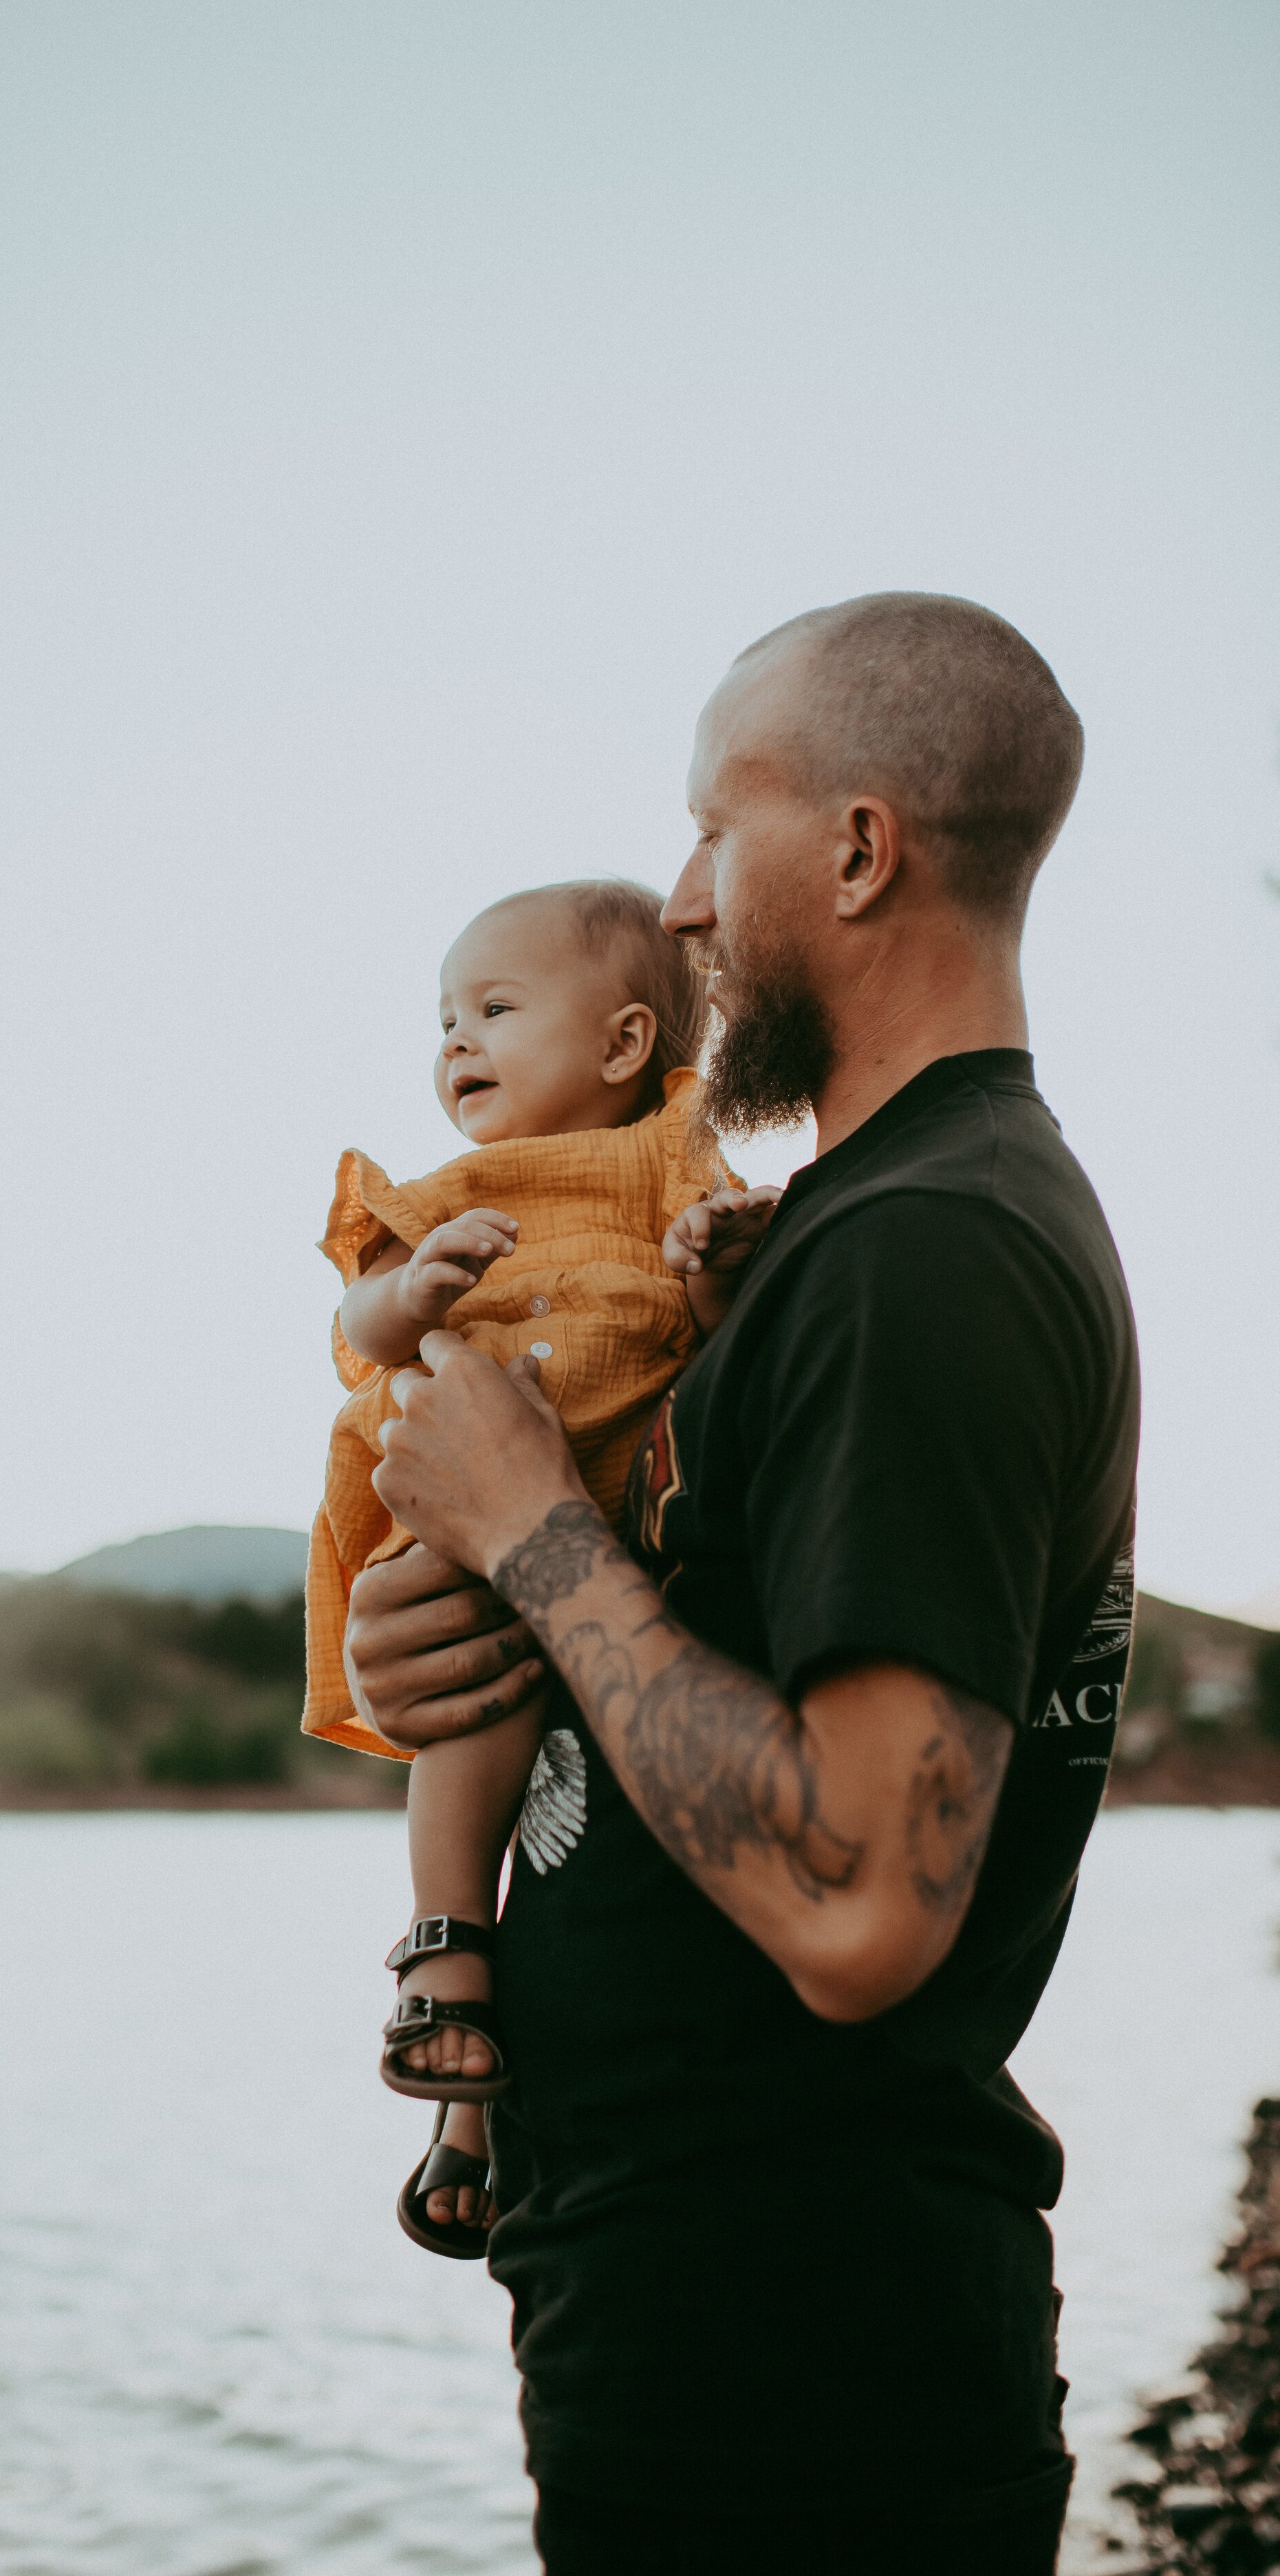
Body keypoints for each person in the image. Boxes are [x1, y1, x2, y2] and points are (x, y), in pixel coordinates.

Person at [343, 592, 1140, 2576]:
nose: (683, 905)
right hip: (718, 2328)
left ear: (859, 850)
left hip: (800, 2384)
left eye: (719, 828)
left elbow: (860, 1903)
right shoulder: (823, 1241)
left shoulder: (925, 1257)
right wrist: (442, 1612)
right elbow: (660, 1634)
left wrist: (531, 1527)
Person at [301, 878, 778, 2251]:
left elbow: (713, 1311)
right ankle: (441, 1957)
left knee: (561, 1826)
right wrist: (413, 1287)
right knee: (475, 1714)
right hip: (458, 1530)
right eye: (445, 1019)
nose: (456, 1041)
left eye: (495, 1011)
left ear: (624, 1043)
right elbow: (356, 1322)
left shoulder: (659, 1154)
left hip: (602, 1529)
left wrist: (712, 1263)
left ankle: (469, 2114)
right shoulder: (442, 1192)